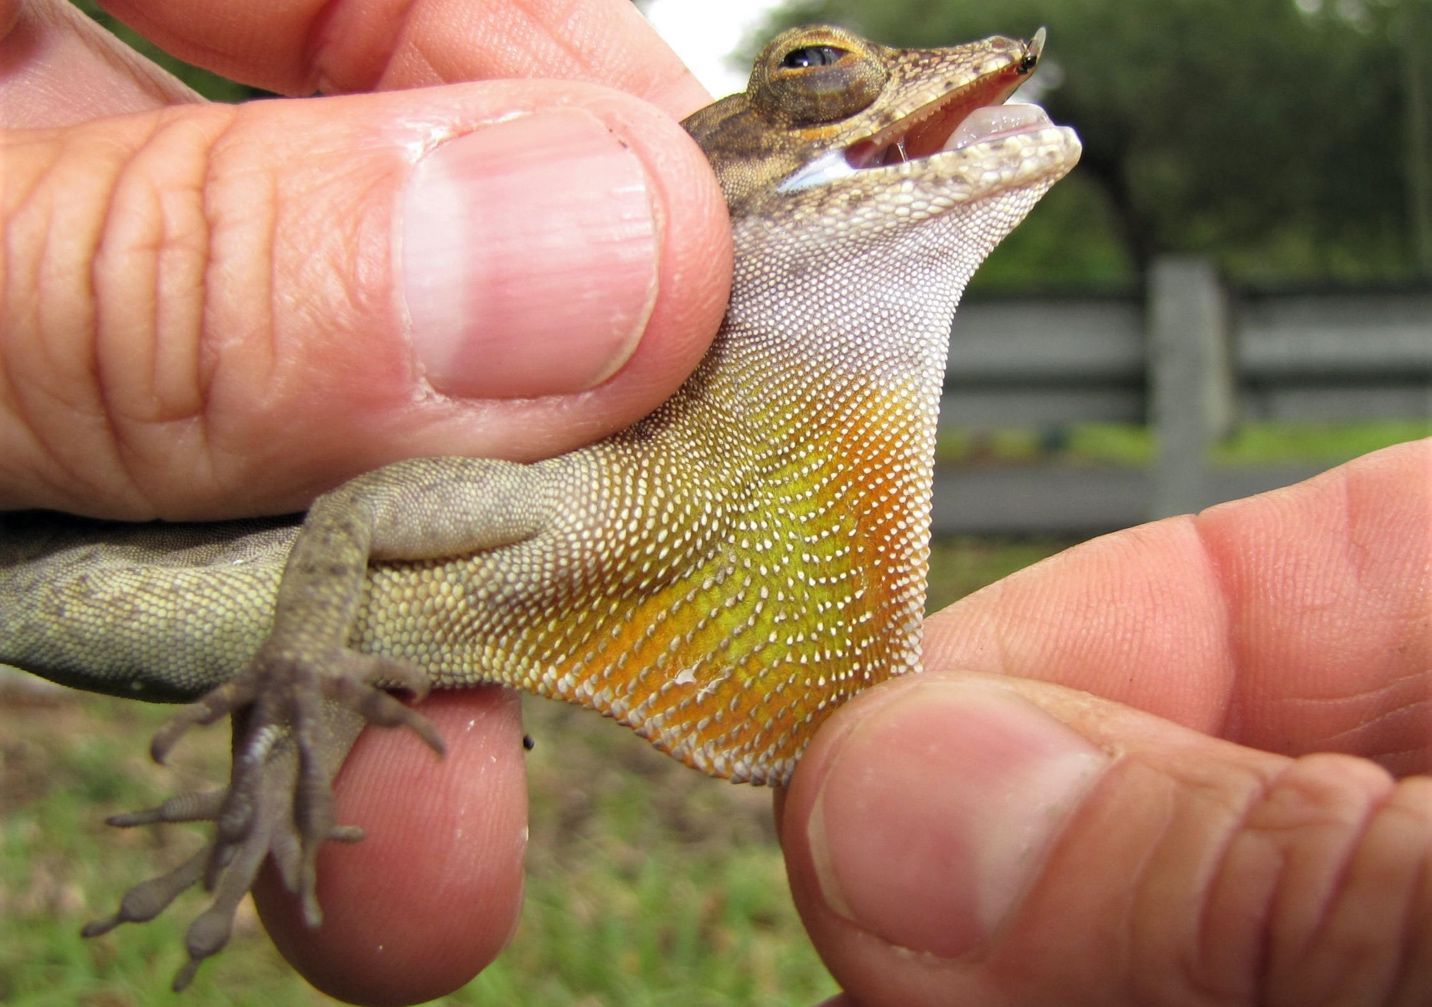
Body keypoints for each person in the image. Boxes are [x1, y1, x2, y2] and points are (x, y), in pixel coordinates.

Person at [3, 1, 1427, 1004]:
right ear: (688, 193)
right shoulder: (588, 496)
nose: (885, 98)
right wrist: (303, 674)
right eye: (818, 77)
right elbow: (359, 523)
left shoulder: (624, 496)